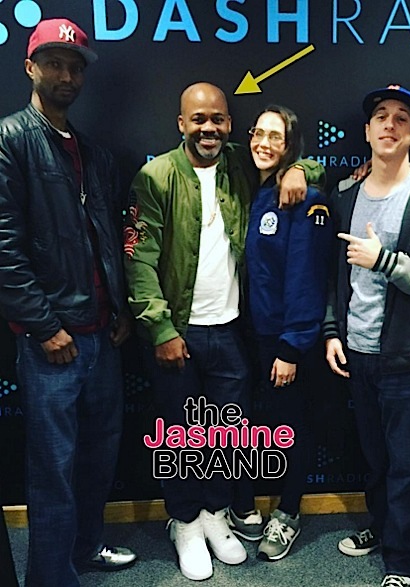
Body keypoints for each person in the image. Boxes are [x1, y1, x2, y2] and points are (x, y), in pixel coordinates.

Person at [124, 83, 323, 581]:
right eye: (198, 119)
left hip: (233, 331)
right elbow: (139, 261)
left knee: (224, 434)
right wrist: (161, 329)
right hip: (179, 332)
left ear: (230, 125)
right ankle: (185, 522)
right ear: (181, 124)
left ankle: (215, 514)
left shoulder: (239, 164)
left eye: (217, 119)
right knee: (181, 435)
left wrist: (302, 170)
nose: (208, 128)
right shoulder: (156, 176)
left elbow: (297, 161)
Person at [0, 18, 137, 587]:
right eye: (54, 63)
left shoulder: (90, 151)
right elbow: (4, 245)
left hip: (101, 334)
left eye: (75, 67)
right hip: (52, 342)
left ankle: (86, 548)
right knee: (53, 469)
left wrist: (120, 310)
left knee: (99, 457)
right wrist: (42, 326)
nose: (66, 75)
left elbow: (106, 237)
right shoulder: (10, 140)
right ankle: (51, 577)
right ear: (30, 68)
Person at [324, 85, 410, 587]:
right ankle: (383, 530)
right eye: (381, 116)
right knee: (376, 460)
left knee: (405, 464)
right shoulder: (345, 195)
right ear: (366, 131)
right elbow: (335, 276)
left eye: (401, 118)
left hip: (409, 358)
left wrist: (385, 260)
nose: (389, 124)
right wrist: (333, 331)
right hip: (357, 352)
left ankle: (402, 559)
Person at [239, 105, 331, 561]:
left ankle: (289, 513)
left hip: (286, 342)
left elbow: (305, 277)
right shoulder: (253, 189)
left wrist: (292, 347)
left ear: (291, 145)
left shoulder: (303, 198)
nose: (263, 143)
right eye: (258, 133)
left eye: (276, 137)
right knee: (260, 428)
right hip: (250, 335)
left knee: (291, 429)